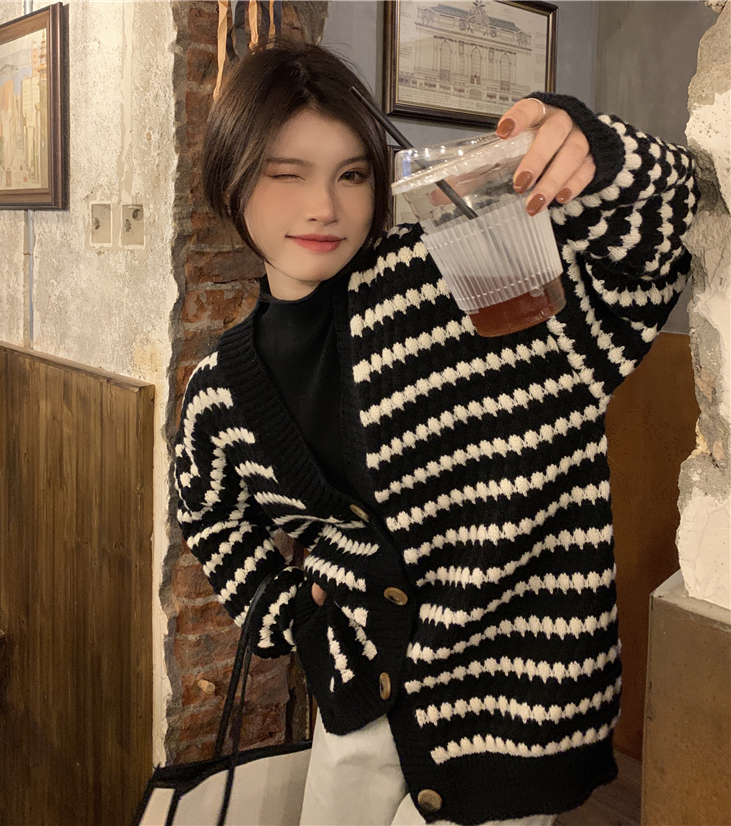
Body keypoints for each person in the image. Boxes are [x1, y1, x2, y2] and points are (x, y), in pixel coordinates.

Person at [175, 42, 698, 826]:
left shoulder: (456, 275)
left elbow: (658, 246)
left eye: (353, 175)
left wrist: (593, 148)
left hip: (512, 709)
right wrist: (290, 617)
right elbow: (207, 509)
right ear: (230, 178)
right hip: (357, 707)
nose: (323, 206)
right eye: (285, 174)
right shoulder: (222, 387)